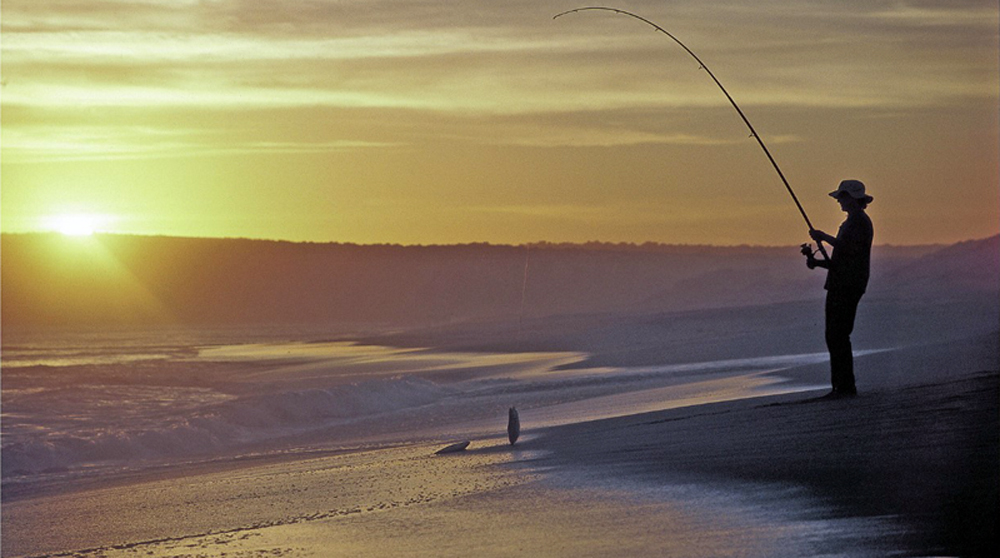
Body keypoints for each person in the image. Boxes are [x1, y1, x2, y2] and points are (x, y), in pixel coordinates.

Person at [803, 179, 874, 398]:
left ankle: (844, 387)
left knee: (838, 335)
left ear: (851, 198)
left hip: (847, 285)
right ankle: (841, 386)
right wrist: (816, 262)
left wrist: (823, 237)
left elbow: (850, 251)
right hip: (842, 283)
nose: (839, 202)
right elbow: (841, 260)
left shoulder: (860, 222)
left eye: (841, 197)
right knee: (834, 335)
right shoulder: (852, 222)